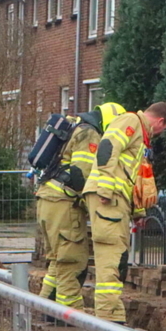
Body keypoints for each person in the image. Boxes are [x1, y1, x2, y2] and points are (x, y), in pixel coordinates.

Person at [83, 102, 166, 323]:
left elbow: (133, 179)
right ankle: (107, 319)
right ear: (161, 122)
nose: (160, 134)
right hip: (109, 197)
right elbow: (107, 147)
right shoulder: (131, 122)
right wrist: (105, 187)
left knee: (118, 256)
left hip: (116, 199)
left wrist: (138, 212)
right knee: (111, 257)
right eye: (164, 129)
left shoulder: (139, 136)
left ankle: (113, 315)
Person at [35, 102, 126, 309]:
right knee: (71, 261)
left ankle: (45, 309)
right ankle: (70, 317)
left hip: (48, 200)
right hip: (63, 204)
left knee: (58, 262)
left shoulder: (75, 127)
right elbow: (81, 175)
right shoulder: (90, 134)